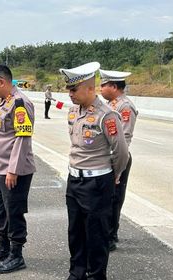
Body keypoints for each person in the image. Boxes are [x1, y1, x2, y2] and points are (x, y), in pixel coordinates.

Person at [59, 62, 129, 280]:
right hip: (74, 180)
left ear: (90, 88)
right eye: (68, 89)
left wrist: (114, 176)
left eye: (74, 89)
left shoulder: (107, 116)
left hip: (97, 183)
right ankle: (77, 273)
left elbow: (121, 153)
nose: (69, 94)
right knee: (75, 232)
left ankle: (96, 275)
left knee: (97, 234)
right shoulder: (73, 111)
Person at [0, 65, 36, 274]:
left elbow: (22, 139)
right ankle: (3, 247)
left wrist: (13, 170)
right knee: (0, 210)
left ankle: (16, 254)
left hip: (13, 171)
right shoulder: (2, 102)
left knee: (14, 212)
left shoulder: (20, 104)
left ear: (2, 82)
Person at [99, 69, 138, 251]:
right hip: (106, 158)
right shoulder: (110, 104)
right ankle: (105, 231)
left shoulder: (125, 106)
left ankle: (111, 236)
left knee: (114, 198)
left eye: (103, 85)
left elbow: (124, 139)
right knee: (106, 198)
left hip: (118, 159)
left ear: (114, 87)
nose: (100, 88)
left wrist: (118, 168)